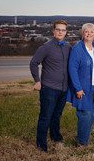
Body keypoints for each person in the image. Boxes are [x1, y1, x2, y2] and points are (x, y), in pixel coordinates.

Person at [30, 20, 71, 152]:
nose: (60, 32)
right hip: (49, 88)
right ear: (53, 31)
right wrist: (37, 80)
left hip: (63, 88)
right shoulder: (46, 47)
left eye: (63, 30)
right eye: (58, 29)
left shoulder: (68, 47)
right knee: (45, 116)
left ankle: (55, 137)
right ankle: (41, 144)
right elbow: (34, 63)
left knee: (57, 115)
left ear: (66, 32)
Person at [67, 23, 94, 146]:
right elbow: (72, 70)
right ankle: (82, 143)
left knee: (92, 115)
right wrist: (78, 88)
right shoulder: (77, 49)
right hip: (83, 88)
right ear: (82, 33)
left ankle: (85, 138)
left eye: (92, 32)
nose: (89, 34)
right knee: (84, 114)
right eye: (86, 31)